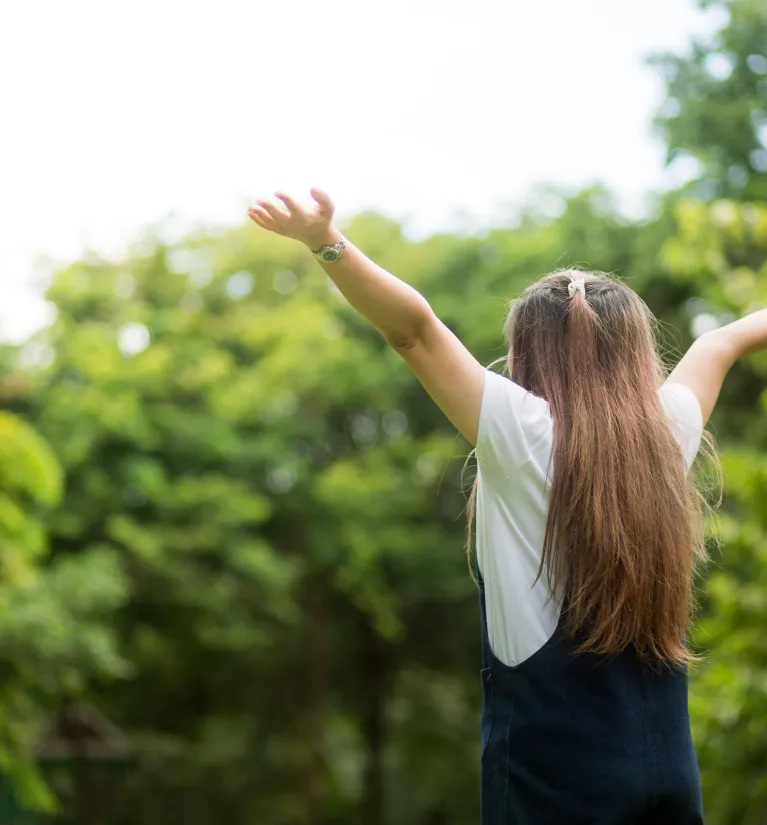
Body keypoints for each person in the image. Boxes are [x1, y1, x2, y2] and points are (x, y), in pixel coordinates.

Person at [248, 188, 766, 824]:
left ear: (529, 353)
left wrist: (326, 242)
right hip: (670, 775)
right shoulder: (668, 430)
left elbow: (413, 332)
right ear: (635, 353)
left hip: (558, 779)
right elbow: (724, 341)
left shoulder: (524, 431)